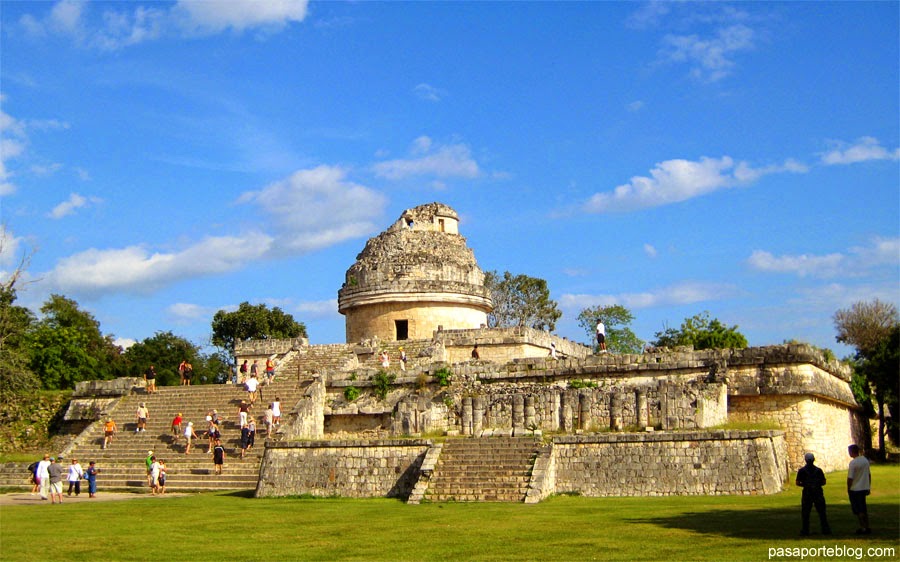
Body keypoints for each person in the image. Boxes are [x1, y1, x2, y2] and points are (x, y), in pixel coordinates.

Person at [796, 452, 830, 536]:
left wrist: (805, 485)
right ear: (814, 459)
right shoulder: (818, 470)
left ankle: (805, 530)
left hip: (807, 493)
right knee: (822, 512)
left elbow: (797, 482)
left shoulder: (802, 471)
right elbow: (824, 482)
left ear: (805, 460)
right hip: (818, 492)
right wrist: (816, 485)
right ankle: (825, 529)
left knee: (806, 512)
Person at [847, 444, 872, 534]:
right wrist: (868, 486)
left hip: (855, 489)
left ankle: (863, 527)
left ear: (852, 452)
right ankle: (867, 526)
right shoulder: (865, 460)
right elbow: (869, 474)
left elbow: (850, 478)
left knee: (858, 510)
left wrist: (848, 488)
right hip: (864, 487)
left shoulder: (853, 463)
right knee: (863, 508)